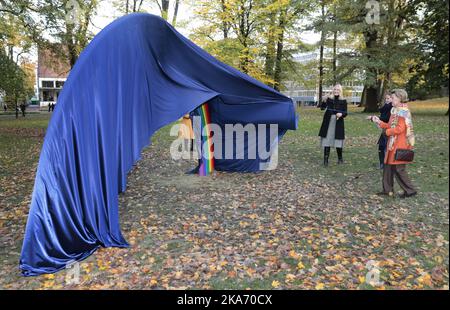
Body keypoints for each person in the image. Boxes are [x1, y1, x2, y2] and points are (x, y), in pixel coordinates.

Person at [369, 89, 417, 198]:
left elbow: (400, 128)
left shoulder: (403, 112)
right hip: (392, 143)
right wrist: (378, 121)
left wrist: (387, 132)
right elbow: (390, 126)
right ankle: (387, 190)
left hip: (400, 144)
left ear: (400, 99)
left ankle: (410, 190)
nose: (391, 100)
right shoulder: (394, 110)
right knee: (388, 167)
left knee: (399, 168)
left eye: (393, 98)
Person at [318, 84, 348, 166]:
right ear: (333, 90)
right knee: (327, 140)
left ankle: (340, 159)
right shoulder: (329, 99)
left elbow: (345, 113)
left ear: (340, 91)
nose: (336, 91)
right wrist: (323, 100)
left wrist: (341, 114)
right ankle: (325, 161)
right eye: (335, 89)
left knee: (338, 141)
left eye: (338, 90)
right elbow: (322, 108)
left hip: (338, 123)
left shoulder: (343, 100)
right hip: (328, 122)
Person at [376, 93, 393, 169]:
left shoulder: (392, 108)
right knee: (381, 146)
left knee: (387, 147)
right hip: (384, 129)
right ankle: (381, 163)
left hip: (389, 130)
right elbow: (382, 116)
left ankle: (388, 163)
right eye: (386, 98)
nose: (387, 100)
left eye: (388, 98)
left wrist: (378, 120)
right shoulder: (385, 107)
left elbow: (386, 119)